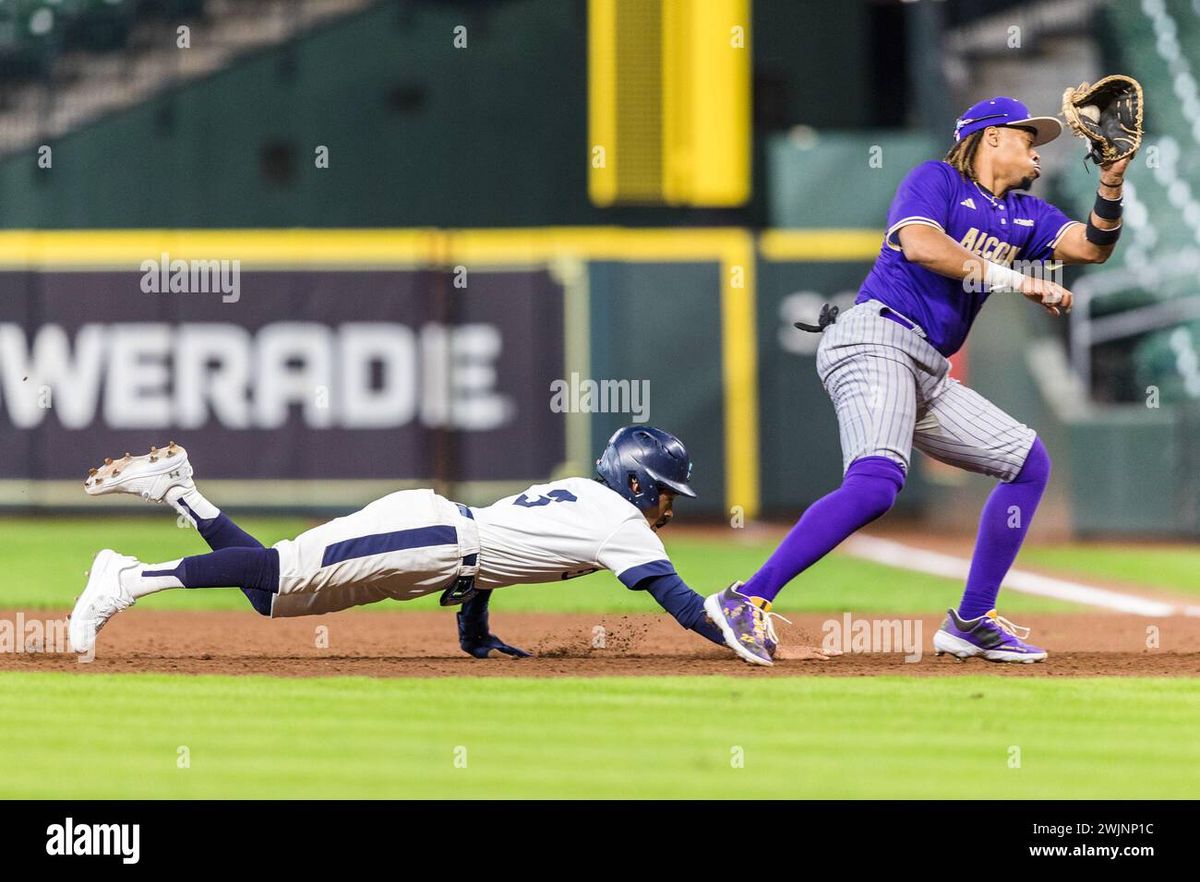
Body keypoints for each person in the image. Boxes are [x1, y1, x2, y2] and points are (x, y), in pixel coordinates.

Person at [705, 95, 1133, 666]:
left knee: (1029, 463)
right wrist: (1021, 281)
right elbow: (922, 245)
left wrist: (1111, 182)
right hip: (875, 337)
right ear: (990, 138)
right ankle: (744, 598)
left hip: (926, 366)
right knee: (876, 486)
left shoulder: (1025, 213)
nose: (1037, 147)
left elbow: (1091, 248)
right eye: (1027, 136)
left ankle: (972, 620)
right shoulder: (936, 180)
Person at [68, 427, 744, 661]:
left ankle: (181, 491)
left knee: (269, 598)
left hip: (440, 554)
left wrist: (475, 636)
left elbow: (494, 566)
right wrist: (742, 632)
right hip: (432, 535)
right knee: (281, 568)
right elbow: (684, 605)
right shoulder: (620, 524)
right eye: (663, 491)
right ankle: (127, 579)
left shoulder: (589, 502)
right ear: (635, 482)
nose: (667, 506)